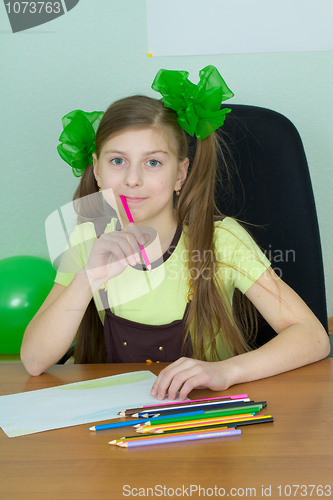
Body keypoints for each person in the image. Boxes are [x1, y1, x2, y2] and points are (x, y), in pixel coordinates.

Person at [21, 65, 330, 400]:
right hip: (122, 423)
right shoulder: (86, 239)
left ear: (180, 174)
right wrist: (87, 278)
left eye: (153, 163)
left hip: (206, 419)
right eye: (117, 161)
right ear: (96, 169)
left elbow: (313, 337)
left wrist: (227, 371)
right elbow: (35, 361)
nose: (133, 179)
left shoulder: (221, 241)